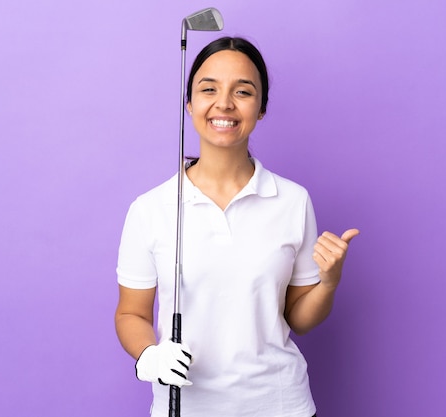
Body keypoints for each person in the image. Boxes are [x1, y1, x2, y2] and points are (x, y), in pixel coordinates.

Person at [115, 36, 359, 417]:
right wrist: (149, 355)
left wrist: (328, 283)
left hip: (281, 405)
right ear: (189, 103)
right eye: (208, 89)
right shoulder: (150, 209)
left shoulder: (293, 201)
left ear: (261, 108)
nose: (224, 103)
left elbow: (299, 318)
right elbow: (131, 314)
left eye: (243, 91)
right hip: (185, 409)